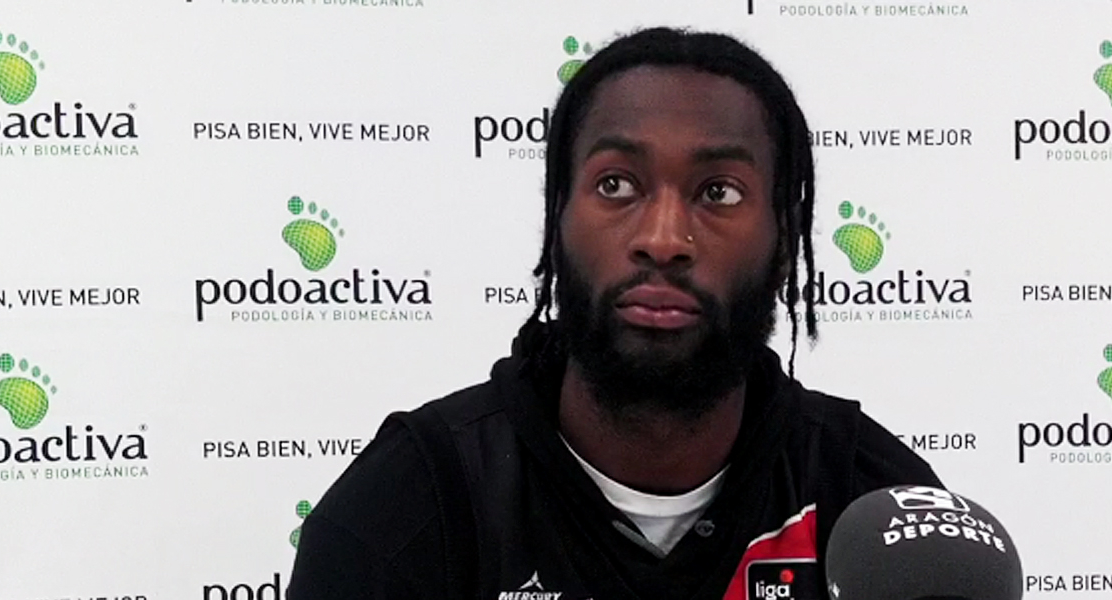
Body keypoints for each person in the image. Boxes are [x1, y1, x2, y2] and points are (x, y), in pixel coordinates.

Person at [286, 26, 943, 600]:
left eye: (718, 192)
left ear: (784, 240)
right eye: (617, 184)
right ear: (558, 221)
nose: (663, 238)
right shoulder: (407, 507)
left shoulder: (872, 500)